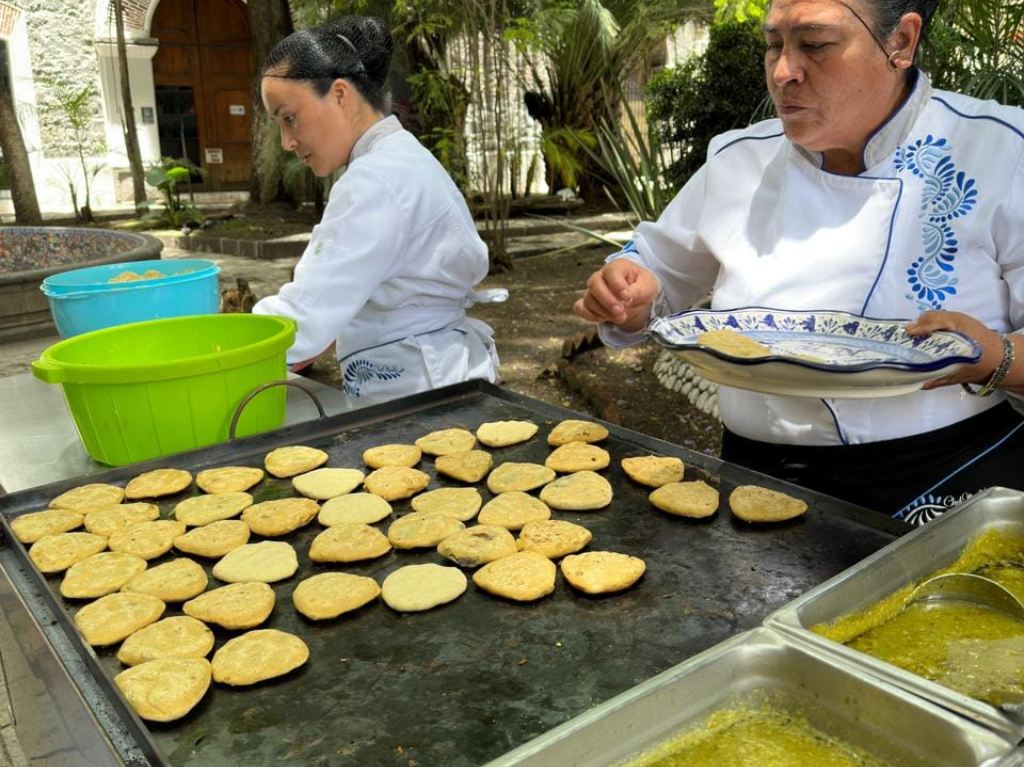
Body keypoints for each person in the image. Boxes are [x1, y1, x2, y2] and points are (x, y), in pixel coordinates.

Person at [575, 0, 1024, 525]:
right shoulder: (741, 157)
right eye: (774, 45)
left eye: (815, 45)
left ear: (900, 42)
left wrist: (996, 356)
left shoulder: (1001, 152)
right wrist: (628, 293)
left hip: (942, 478)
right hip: (752, 475)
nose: (783, 71)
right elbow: (658, 269)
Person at [252, 16, 501, 410]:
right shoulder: (396, 159)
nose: (287, 141)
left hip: (423, 395)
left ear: (339, 94)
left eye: (289, 117)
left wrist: (227, 343)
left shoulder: (377, 179)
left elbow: (306, 317)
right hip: (432, 378)